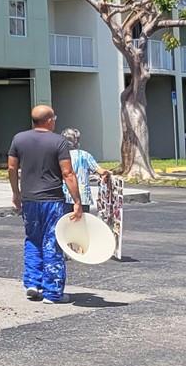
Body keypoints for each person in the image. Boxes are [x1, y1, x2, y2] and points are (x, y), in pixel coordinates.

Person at [6, 104, 84, 303]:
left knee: (33, 240)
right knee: (53, 241)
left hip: (29, 200)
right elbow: (68, 173)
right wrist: (77, 201)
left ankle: (33, 283)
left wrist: (16, 193)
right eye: (54, 118)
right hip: (52, 200)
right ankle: (52, 292)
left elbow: (12, 168)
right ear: (49, 120)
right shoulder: (59, 142)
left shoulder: (19, 139)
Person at [60, 127, 111, 211]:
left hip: (65, 196)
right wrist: (107, 173)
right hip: (83, 197)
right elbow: (100, 171)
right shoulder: (85, 155)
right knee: (83, 219)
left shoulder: (61, 156)